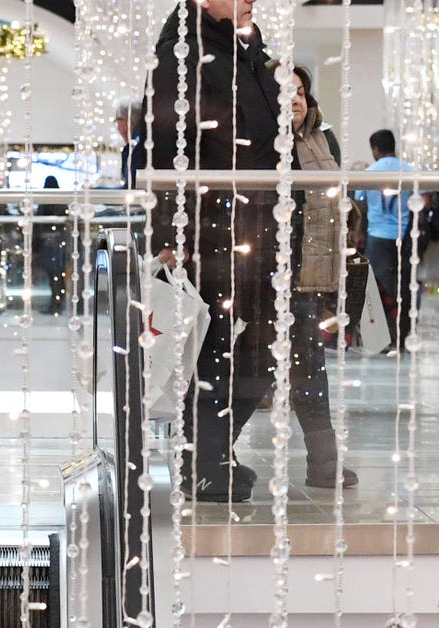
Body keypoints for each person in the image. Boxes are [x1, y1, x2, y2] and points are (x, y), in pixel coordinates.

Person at [150, 0, 301, 502]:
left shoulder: (241, 47)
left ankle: (208, 452)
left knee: (268, 340)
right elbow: (169, 143)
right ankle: (205, 461)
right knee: (216, 348)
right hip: (217, 228)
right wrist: (171, 232)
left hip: (261, 225)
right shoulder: (183, 50)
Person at [285, 69, 353, 487]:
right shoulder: (254, 142)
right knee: (252, 367)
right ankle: (209, 459)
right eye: (284, 92)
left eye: (300, 91)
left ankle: (324, 466)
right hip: (265, 269)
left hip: (308, 274)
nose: (294, 99)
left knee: (308, 367)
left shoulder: (322, 139)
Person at [356, 129, 412, 353]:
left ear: (375, 150)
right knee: (404, 287)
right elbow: (425, 201)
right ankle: (403, 335)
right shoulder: (409, 171)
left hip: (377, 237)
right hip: (404, 237)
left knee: (379, 289)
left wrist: (358, 233)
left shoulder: (369, 173)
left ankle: (382, 336)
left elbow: (360, 204)